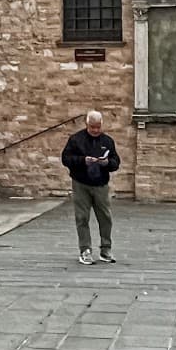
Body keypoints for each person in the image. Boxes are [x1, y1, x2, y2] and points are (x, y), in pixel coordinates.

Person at [60, 109, 119, 265]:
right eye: (92, 127)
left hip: (101, 184)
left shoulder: (107, 141)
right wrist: (83, 160)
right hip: (81, 183)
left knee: (105, 217)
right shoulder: (76, 140)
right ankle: (85, 249)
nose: (95, 130)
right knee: (82, 217)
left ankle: (106, 249)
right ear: (87, 124)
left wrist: (107, 163)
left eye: (98, 127)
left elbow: (115, 162)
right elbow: (65, 158)